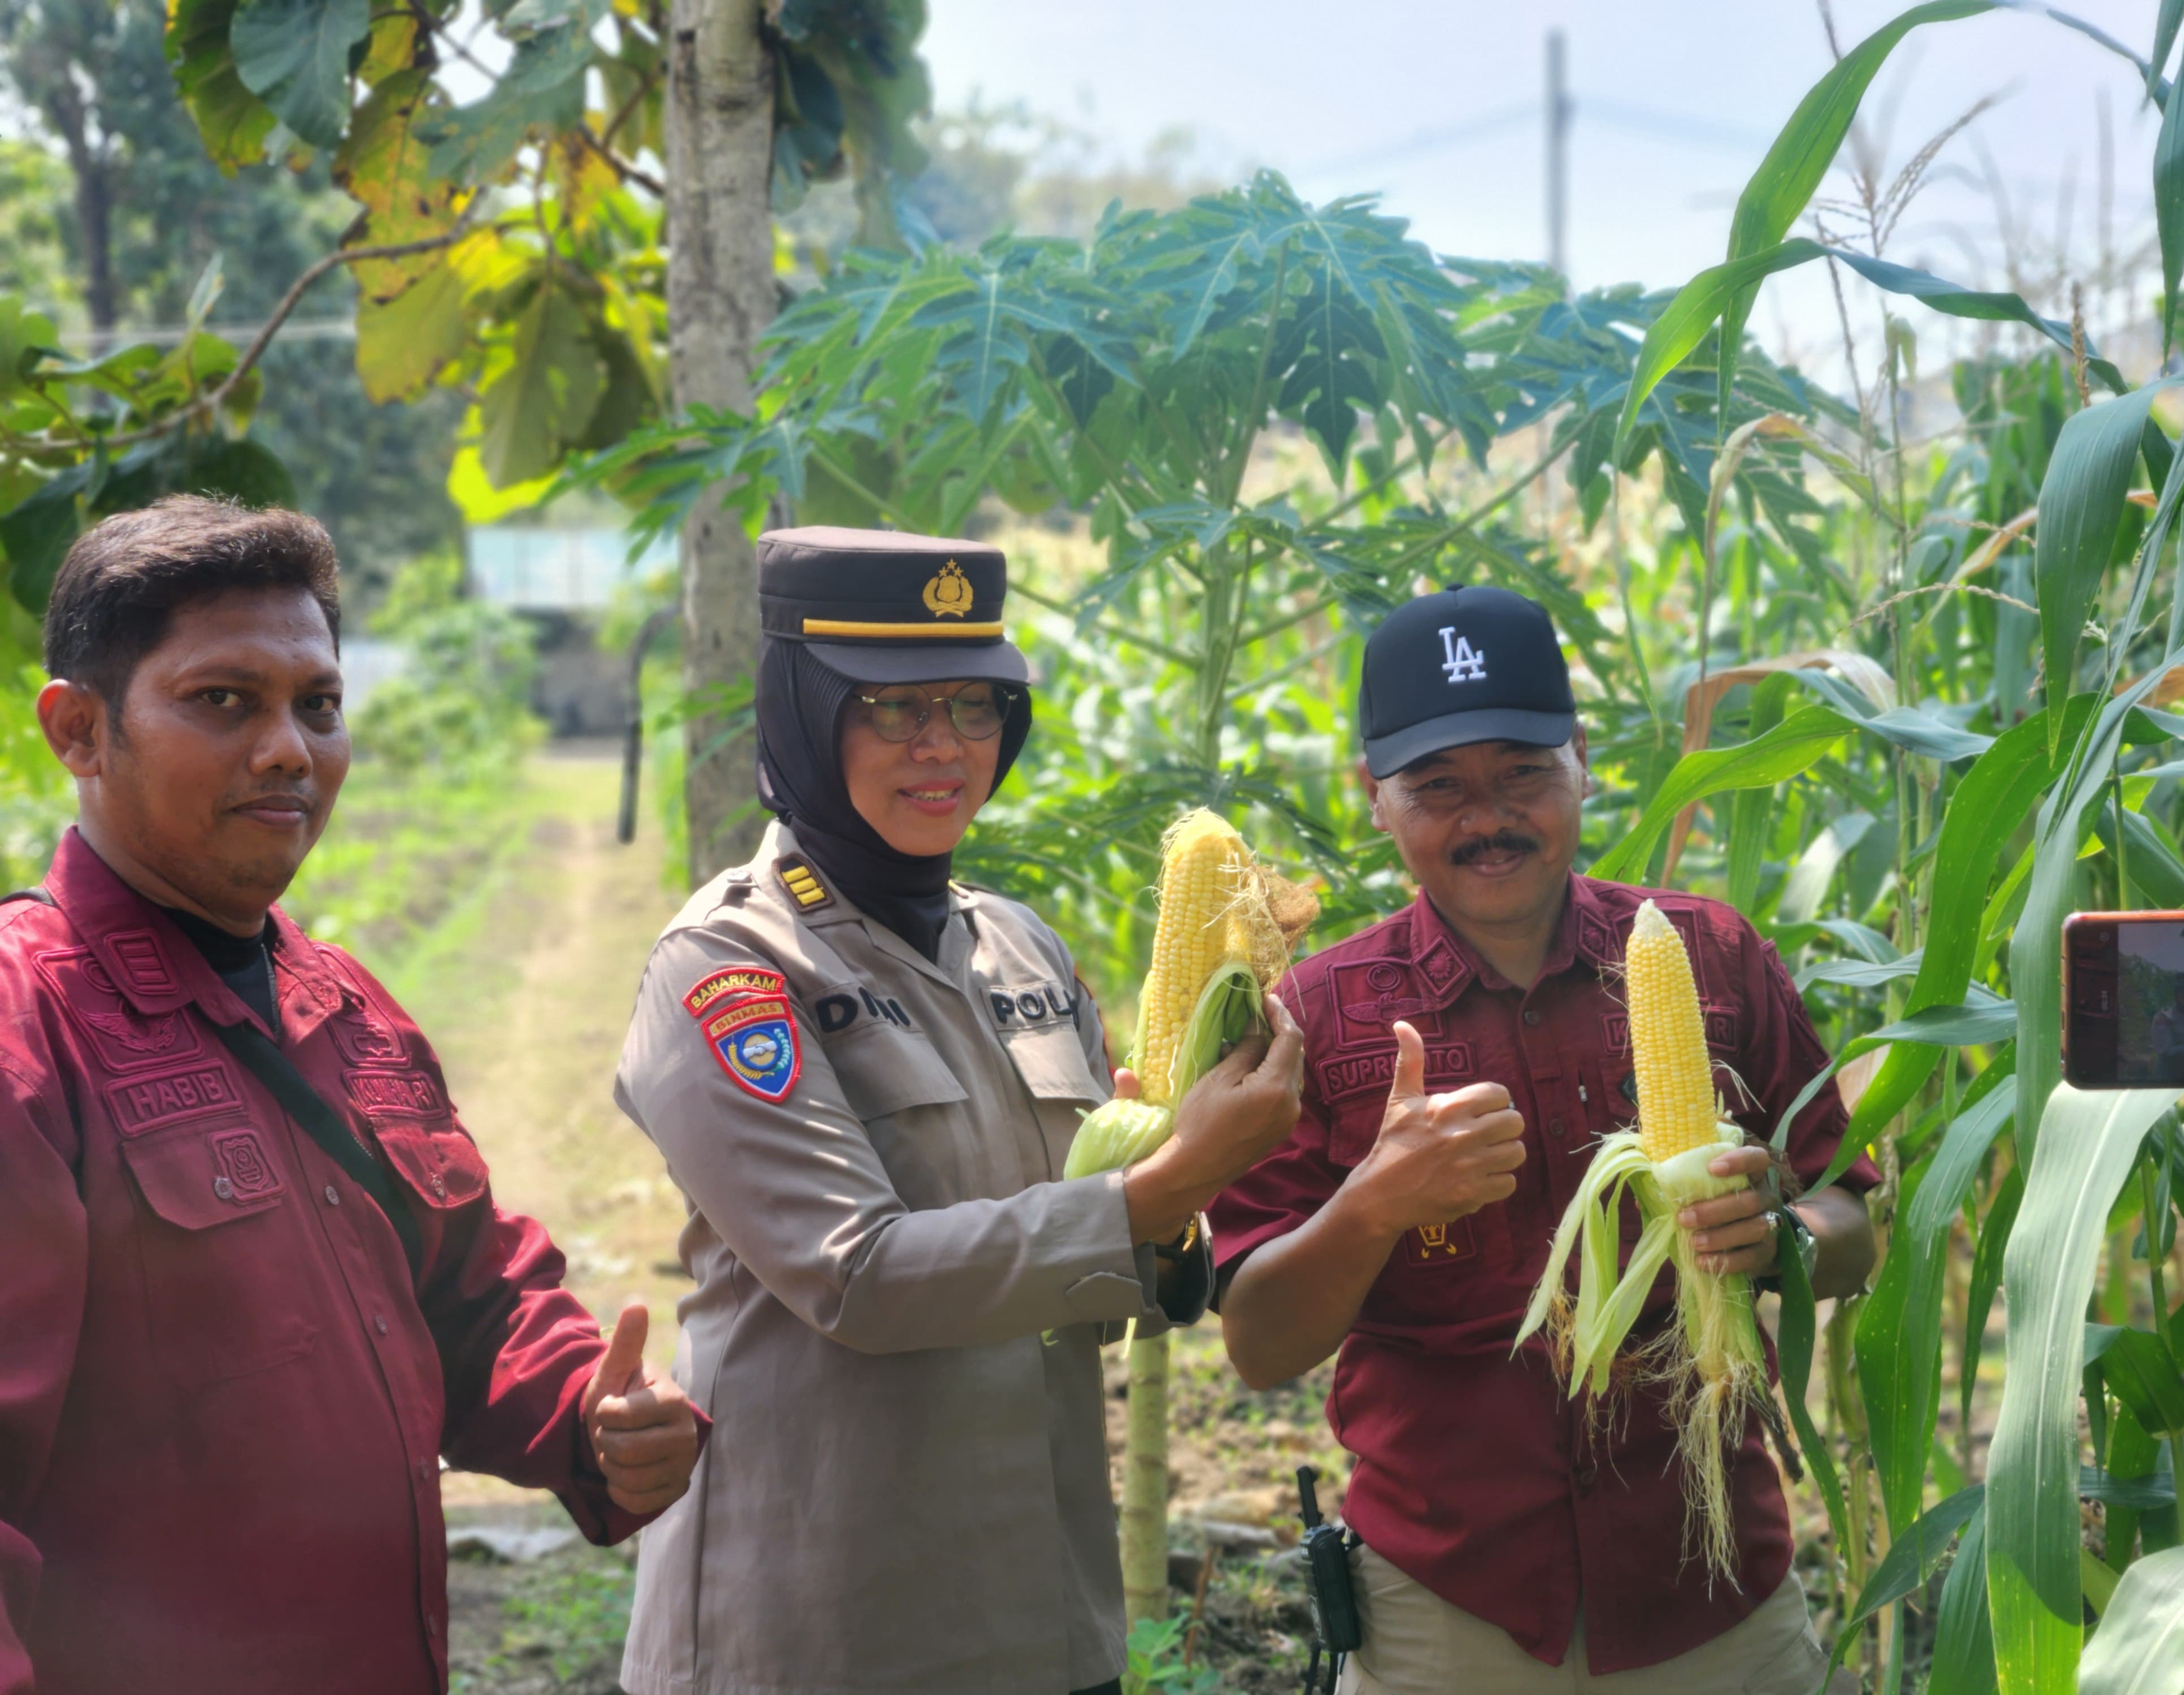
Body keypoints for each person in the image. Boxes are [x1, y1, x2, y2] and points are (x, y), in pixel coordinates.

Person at [0, 498, 707, 1695]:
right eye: (224, 700)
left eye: (317, 706)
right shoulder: (31, 1033)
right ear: (79, 731)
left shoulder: (348, 1008)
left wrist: (594, 1419)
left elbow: (467, 1300)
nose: (289, 749)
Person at [612, 526, 1306, 1695]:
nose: (941, 748)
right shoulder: (730, 968)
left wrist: (1178, 1216)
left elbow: (1092, 1284)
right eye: (890, 709)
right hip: (823, 1630)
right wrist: (1163, 1187)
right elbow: (859, 1278)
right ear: (801, 711)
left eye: (973, 707)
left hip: (1037, 1618)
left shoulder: (1019, 948)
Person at [1209, 585, 1880, 1695]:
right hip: (1448, 1608)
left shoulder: (1711, 956)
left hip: (1712, 1592)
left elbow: (1850, 1223)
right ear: (1372, 800)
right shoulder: (1314, 1018)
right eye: (1436, 788)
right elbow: (1257, 1344)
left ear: (1580, 760)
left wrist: (1777, 1236)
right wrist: (1374, 1202)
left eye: (1521, 772)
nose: (1486, 818)